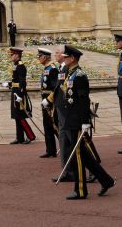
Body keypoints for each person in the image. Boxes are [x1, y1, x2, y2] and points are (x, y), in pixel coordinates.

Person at [61, 46, 114, 199]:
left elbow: (84, 100)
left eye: (66, 57)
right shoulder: (70, 74)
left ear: (72, 59)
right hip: (71, 118)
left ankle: (80, 190)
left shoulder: (80, 75)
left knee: (77, 155)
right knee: (84, 155)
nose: (64, 59)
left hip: (77, 120)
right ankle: (106, 180)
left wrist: (85, 122)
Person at [52, 45, 75, 183]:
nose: (57, 55)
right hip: (61, 108)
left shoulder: (71, 71)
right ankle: (67, 170)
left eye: (59, 54)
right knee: (64, 142)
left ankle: (92, 170)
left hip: (68, 111)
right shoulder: (62, 69)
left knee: (75, 142)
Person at [6, 47, 34, 144]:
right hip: (15, 92)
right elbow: (16, 80)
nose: (10, 56)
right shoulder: (16, 65)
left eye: (12, 55)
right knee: (16, 116)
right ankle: (20, 137)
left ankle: (30, 135)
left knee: (20, 116)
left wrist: (20, 95)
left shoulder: (21, 66)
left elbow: (22, 82)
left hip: (18, 93)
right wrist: (9, 84)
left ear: (17, 55)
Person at [36, 48, 59, 158]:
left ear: (45, 57)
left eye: (39, 56)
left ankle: (67, 146)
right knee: (47, 126)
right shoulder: (47, 68)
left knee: (55, 126)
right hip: (45, 99)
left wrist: (49, 100)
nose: (38, 58)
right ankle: (50, 150)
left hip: (51, 101)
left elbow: (56, 88)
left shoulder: (53, 69)